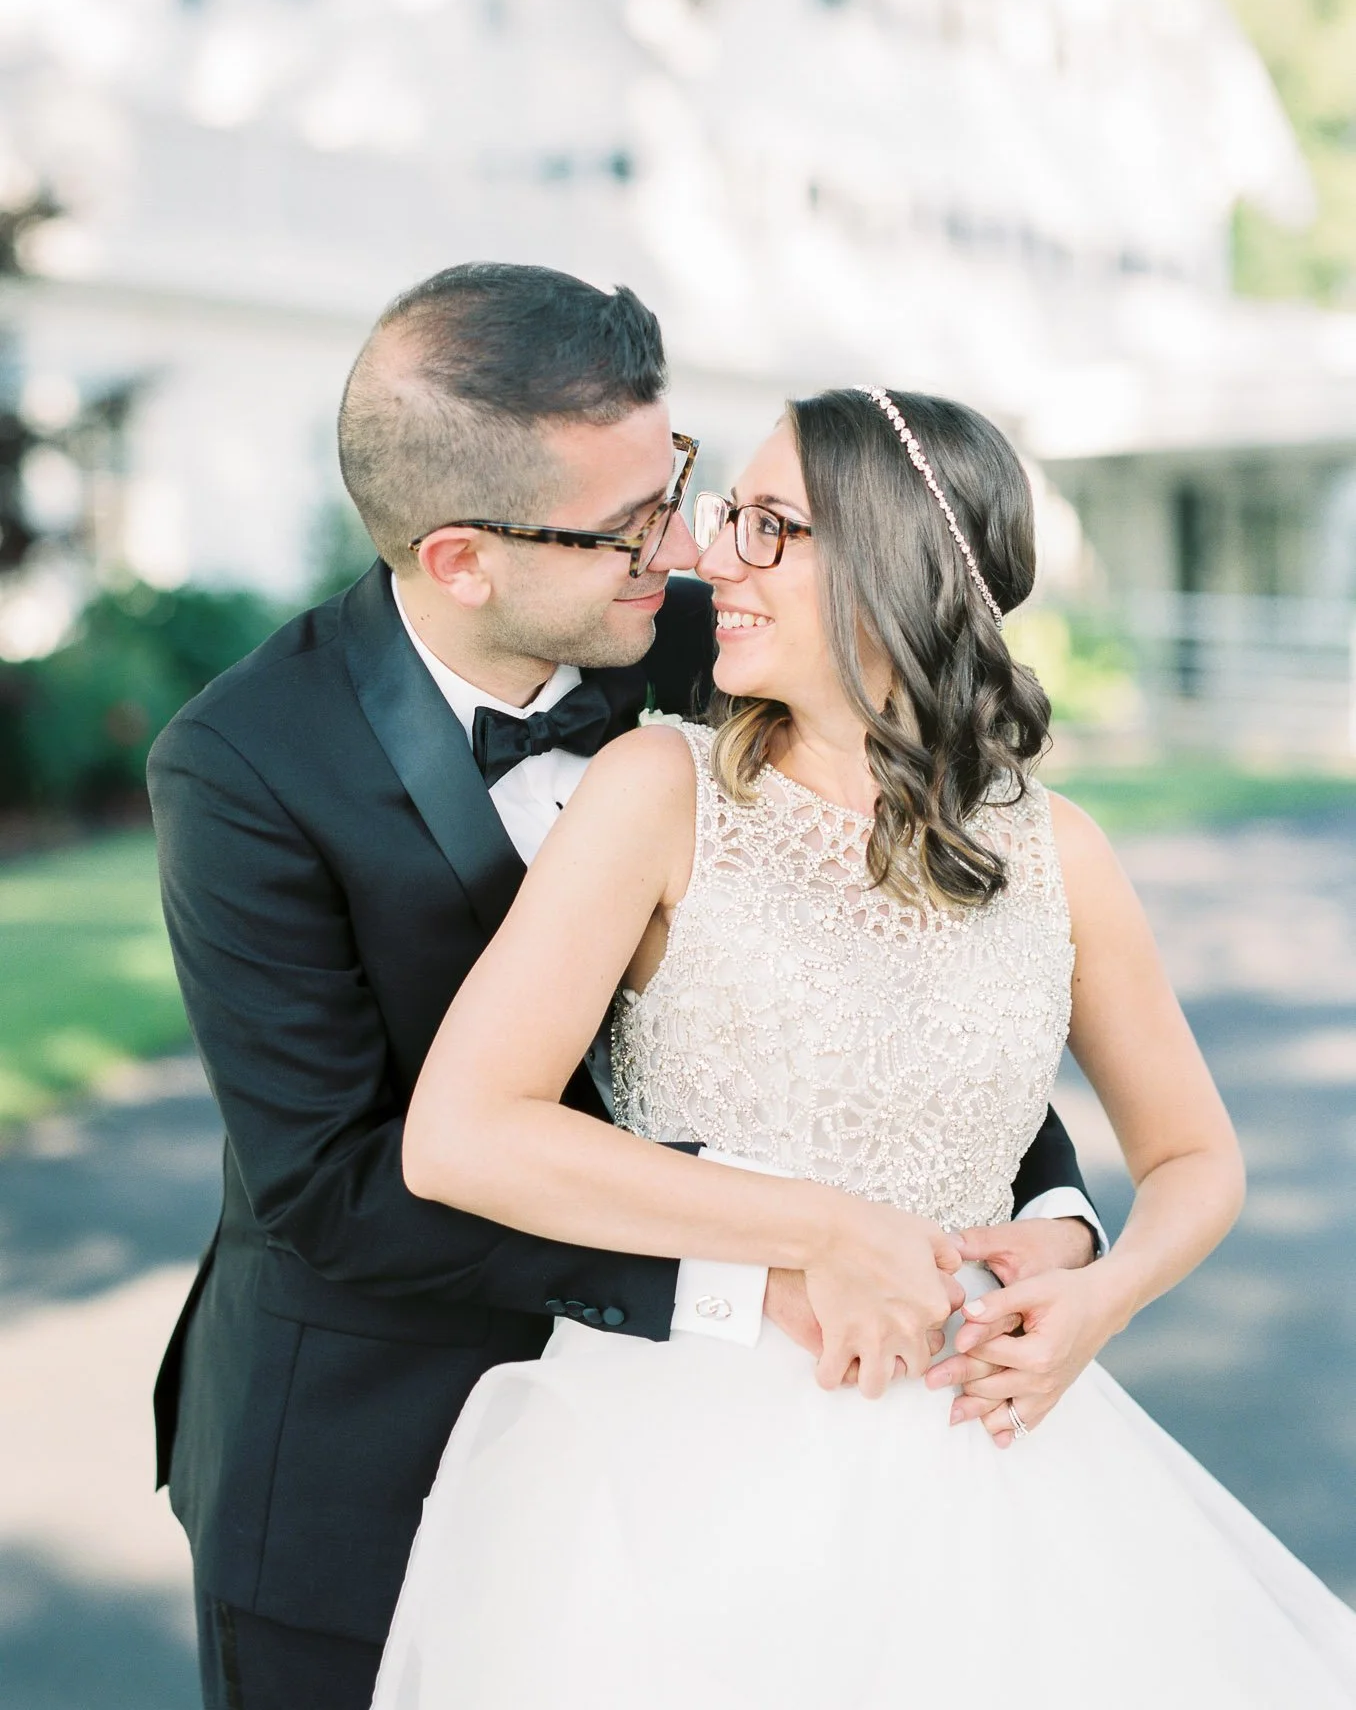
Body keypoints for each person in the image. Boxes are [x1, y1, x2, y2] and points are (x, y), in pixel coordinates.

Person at [146, 265, 1100, 1710]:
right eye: (626, 530)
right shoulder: (241, 768)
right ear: (462, 557)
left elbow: (910, 932)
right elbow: (335, 1186)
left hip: (738, 1469)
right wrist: (757, 1267)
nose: (688, 549)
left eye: (677, 485)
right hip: (360, 1461)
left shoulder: (716, 634)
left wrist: (1043, 1205)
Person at [375, 384, 1356, 1708]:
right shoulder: (657, 795)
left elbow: (1194, 1158)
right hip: (678, 1466)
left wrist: (1096, 1299)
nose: (712, 554)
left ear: (896, 565)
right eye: (731, 512)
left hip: (988, 1468)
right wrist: (819, 1226)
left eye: (771, 524)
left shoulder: (1059, 854)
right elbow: (463, 1134)